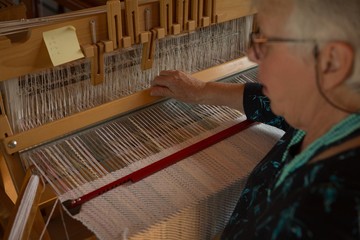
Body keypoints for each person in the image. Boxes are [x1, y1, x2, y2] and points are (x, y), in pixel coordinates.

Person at [150, 0, 360, 239]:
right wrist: (202, 90)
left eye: (268, 43)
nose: (252, 55)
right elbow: (272, 104)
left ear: (332, 62)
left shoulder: (321, 215)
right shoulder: (335, 111)